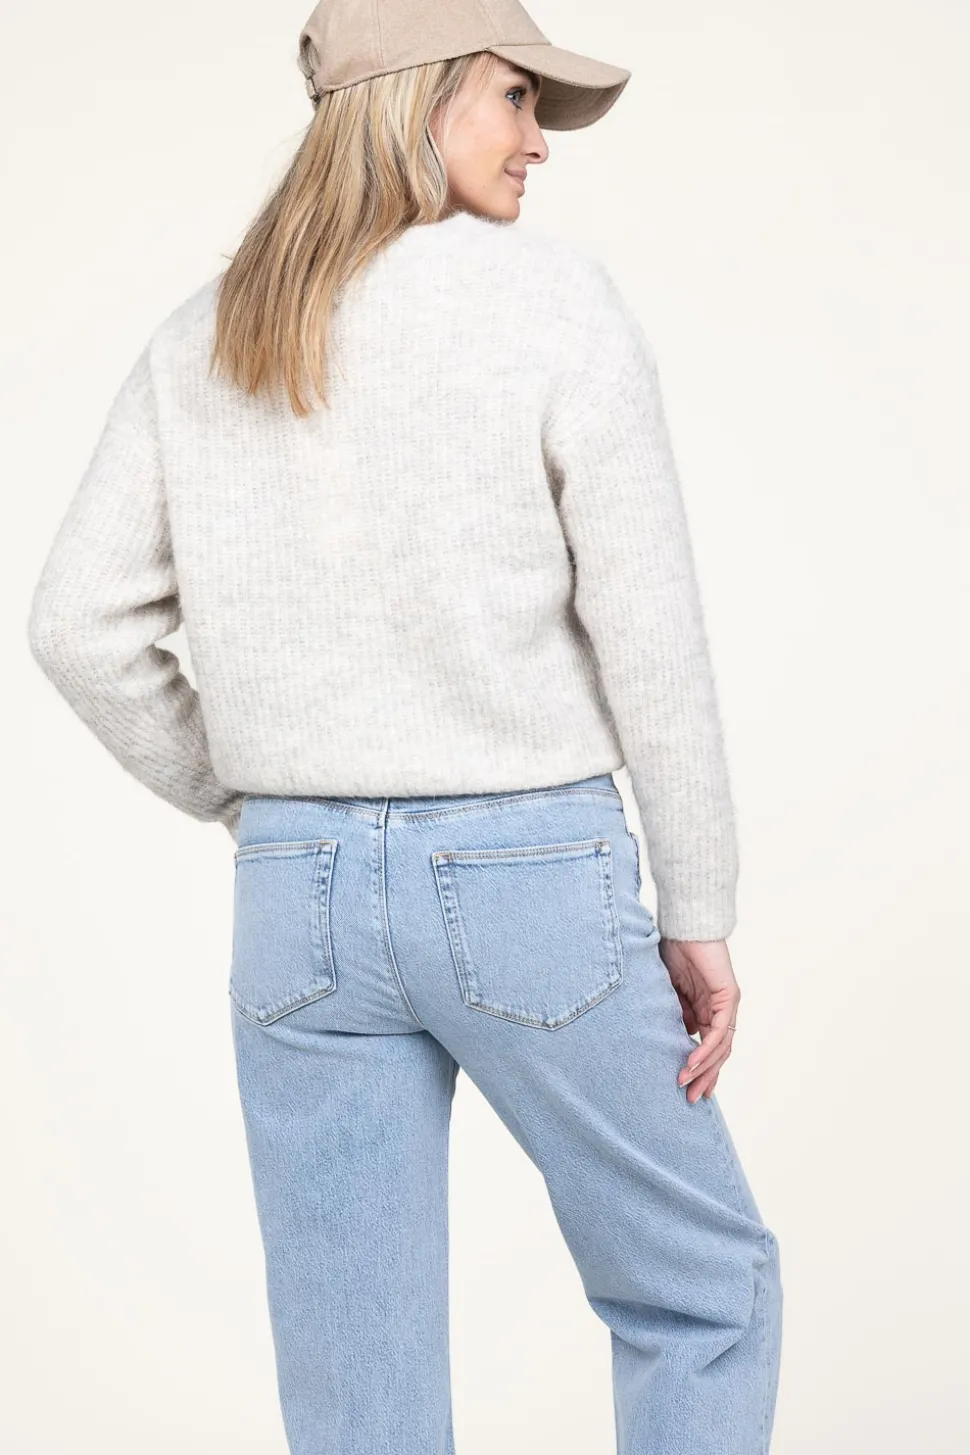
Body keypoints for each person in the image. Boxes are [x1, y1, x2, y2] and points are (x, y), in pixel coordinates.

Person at [26, 0, 784, 1450]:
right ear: (418, 99)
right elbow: (653, 639)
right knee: (700, 1290)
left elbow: (77, 621)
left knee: (353, 1371)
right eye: (515, 98)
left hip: (296, 899)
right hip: (528, 880)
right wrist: (698, 909)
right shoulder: (551, 306)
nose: (538, 142)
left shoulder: (211, 332)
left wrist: (258, 802)